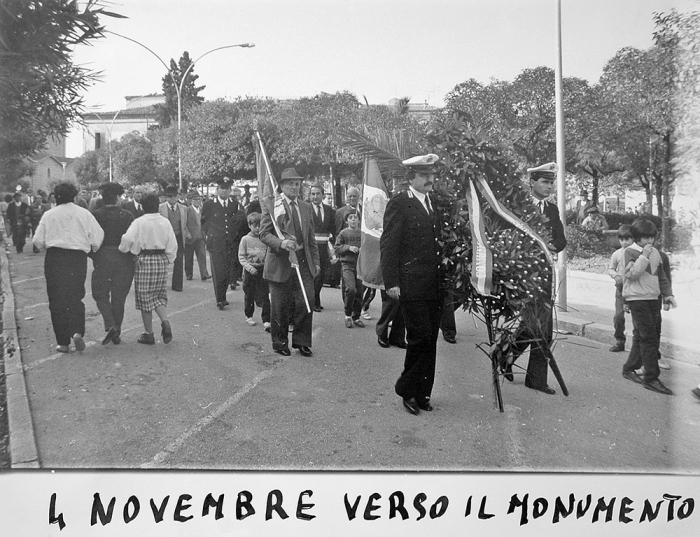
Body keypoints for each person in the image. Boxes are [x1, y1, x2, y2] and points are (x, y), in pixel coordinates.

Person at [380, 153, 444, 415]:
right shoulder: (399, 203)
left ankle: (423, 392)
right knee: (418, 337)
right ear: (411, 178)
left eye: (431, 175)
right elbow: (389, 244)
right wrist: (391, 281)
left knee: (430, 340)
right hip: (410, 283)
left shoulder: (433, 203)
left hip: (433, 284)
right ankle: (407, 390)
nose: (430, 180)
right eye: (424, 175)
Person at [505, 162, 568, 395]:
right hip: (522, 273)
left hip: (543, 273)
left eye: (552, 182)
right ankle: (515, 364)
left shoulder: (552, 210)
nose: (550, 186)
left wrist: (549, 247)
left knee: (540, 325)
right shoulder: (519, 206)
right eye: (545, 181)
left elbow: (561, 240)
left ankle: (517, 365)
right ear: (532, 182)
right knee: (536, 323)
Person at [32, 182, 104, 353]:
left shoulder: (49, 215)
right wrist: (92, 247)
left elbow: (38, 241)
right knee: (75, 296)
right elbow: (97, 237)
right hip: (77, 258)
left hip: (55, 258)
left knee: (56, 299)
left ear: (55, 197)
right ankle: (77, 331)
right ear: (74, 196)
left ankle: (63, 342)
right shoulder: (84, 214)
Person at [259, 167, 320, 357]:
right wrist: (281, 243)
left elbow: (311, 239)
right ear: (282, 186)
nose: (294, 187)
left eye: (297, 183)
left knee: (306, 302)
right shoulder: (273, 206)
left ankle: (302, 342)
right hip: (280, 263)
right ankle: (280, 342)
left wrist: (316, 263)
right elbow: (263, 234)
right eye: (290, 184)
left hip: (303, 262)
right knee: (280, 306)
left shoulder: (305, 207)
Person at [620, 218, 676, 395]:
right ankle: (651, 378)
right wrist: (644, 256)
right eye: (645, 238)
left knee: (644, 336)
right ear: (637, 237)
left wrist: (668, 295)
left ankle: (629, 368)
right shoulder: (630, 252)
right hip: (637, 299)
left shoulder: (656, 254)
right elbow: (631, 274)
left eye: (652, 237)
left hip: (653, 298)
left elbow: (661, 277)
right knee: (649, 338)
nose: (650, 241)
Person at [119, 193, 177, 345]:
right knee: (158, 296)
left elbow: (127, 239)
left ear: (143, 206)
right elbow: (173, 244)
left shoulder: (139, 222)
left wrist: (124, 249)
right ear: (158, 205)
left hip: (144, 260)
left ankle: (149, 333)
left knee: (145, 300)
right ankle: (164, 321)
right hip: (160, 260)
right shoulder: (165, 222)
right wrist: (169, 259)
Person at [90, 182, 135, 345]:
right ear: (117, 198)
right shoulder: (127, 215)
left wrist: (94, 255)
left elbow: (91, 239)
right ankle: (117, 331)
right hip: (124, 258)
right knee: (119, 297)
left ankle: (110, 324)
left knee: (100, 293)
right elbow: (132, 239)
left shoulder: (95, 215)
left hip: (103, 257)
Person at [201, 177, 248, 310]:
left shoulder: (234, 204)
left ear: (230, 190)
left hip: (230, 242)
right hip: (216, 242)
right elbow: (204, 222)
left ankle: (223, 295)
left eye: (227, 188)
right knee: (218, 271)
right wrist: (211, 234)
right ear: (217, 190)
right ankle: (220, 298)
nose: (224, 191)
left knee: (227, 271)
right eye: (222, 188)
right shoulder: (209, 204)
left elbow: (235, 221)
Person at [238, 212, 271, 331]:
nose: (257, 228)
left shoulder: (265, 239)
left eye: (260, 225)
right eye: (255, 225)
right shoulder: (245, 239)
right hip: (250, 270)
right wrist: (249, 267)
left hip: (263, 270)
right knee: (249, 294)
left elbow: (268, 254)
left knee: (265, 295)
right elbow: (241, 257)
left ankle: (267, 319)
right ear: (249, 225)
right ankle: (249, 315)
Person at [335, 211, 365, 328]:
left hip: (360, 265)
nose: (353, 220)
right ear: (346, 220)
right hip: (347, 265)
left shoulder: (362, 234)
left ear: (359, 220)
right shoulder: (343, 233)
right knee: (351, 289)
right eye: (350, 218)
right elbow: (337, 248)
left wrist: (363, 249)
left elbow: (368, 246)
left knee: (360, 291)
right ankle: (348, 315)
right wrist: (348, 247)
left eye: (355, 217)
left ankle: (356, 316)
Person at [309, 182, 335, 312]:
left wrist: (334, 247)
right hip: (310, 247)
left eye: (318, 194)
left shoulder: (329, 210)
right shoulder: (306, 209)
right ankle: (313, 301)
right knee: (313, 275)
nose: (315, 196)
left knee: (322, 275)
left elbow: (333, 229)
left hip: (324, 247)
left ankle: (315, 299)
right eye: (312, 194)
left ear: (322, 195)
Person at [159, 185, 190, 292]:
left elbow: (186, 224)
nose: (172, 199)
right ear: (166, 197)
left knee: (179, 261)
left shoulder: (184, 208)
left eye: (174, 196)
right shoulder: (160, 208)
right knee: (162, 261)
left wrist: (187, 234)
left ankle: (177, 285)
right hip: (164, 238)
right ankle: (160, 284)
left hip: (178, 237)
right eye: (169, 196)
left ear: (178, 196)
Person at [607, 224, 634, 352]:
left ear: (633, 239)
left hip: (635, 290)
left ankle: (638, 345)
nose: (624, 242)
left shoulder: (637, 253)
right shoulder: (617, 254)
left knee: (638, 319)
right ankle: (619, 340)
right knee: (618, 316)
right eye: (622, 240)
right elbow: (611, 268)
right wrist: (616, 276)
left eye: (627, 239)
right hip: (621, 289)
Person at [184, 190, 211, 281]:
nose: (197, 201)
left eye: (199, 200)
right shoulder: (187, 210)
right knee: (189, 257)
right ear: (191, 201)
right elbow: (184, 224)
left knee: (202, 255)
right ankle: (189, 274)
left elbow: (205, 223)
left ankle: (204, 274)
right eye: (195, 200)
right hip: (190, 237)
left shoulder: (202, 211)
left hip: (200, 237)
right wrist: (187, 233)